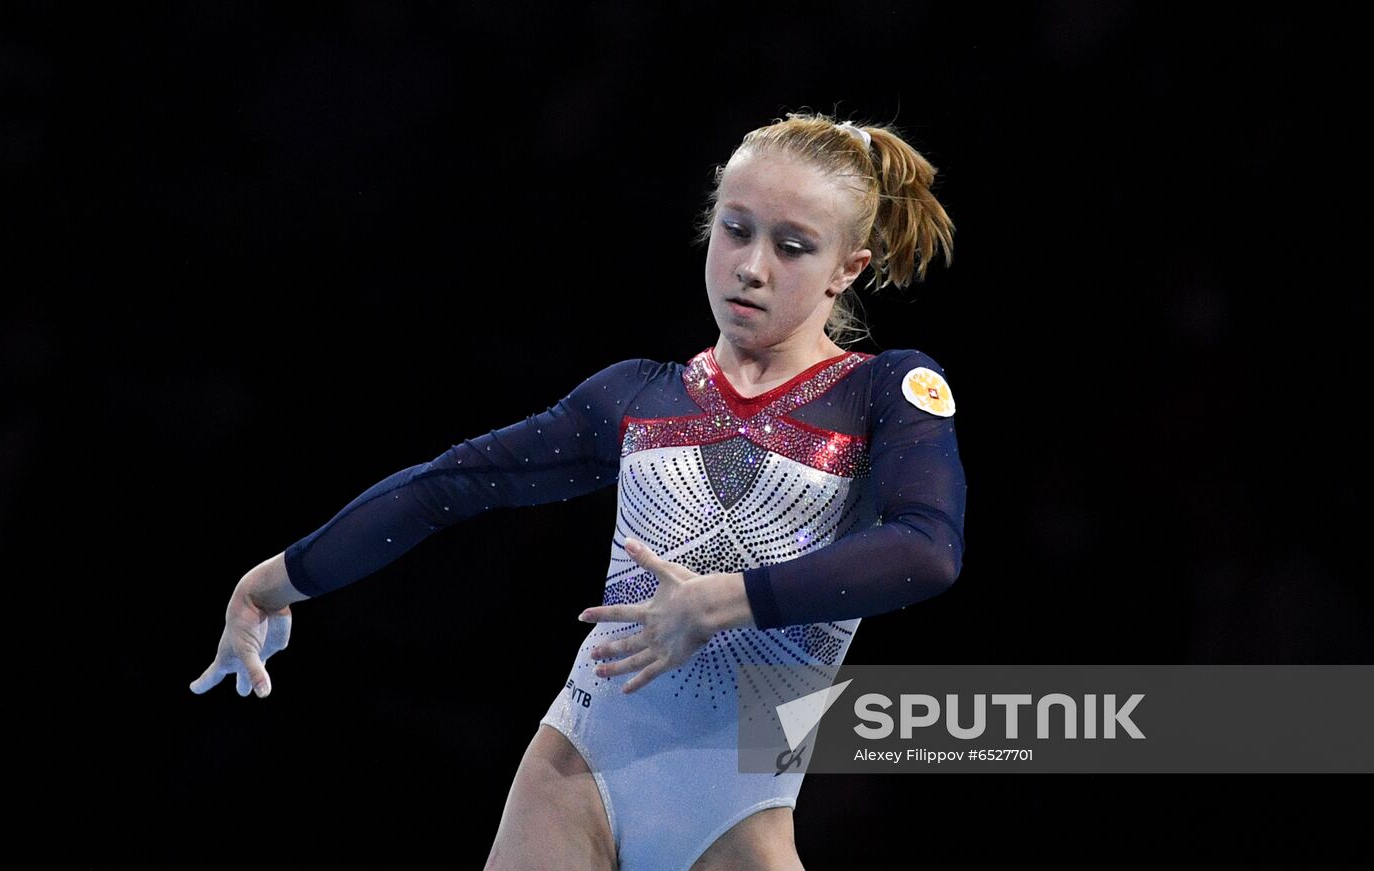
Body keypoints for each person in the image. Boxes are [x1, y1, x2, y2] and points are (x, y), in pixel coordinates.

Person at [191, 110, 966, 870]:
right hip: (578, 767)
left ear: (847, 269)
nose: (752, 265)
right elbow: (448, 485)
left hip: (738, 808)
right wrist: (270, 582)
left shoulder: (883, 392)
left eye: (793, 246)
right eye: (736, 229)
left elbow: (927, 550)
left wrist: (723, 599)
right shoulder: (636, 396)